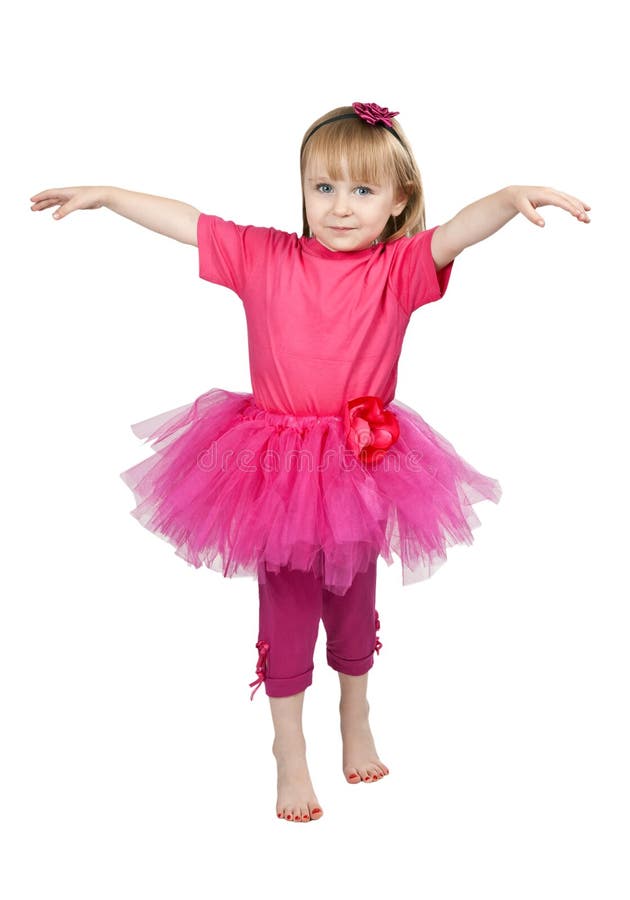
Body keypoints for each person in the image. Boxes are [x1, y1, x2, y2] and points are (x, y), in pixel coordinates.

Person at [29, 101, 591, 825]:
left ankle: (356, 713)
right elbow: (189, 222)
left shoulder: (397, 270)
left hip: (360, 459)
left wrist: (509, 200)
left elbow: (458, 231)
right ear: (302, 189)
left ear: (398, 203)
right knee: (288, 601)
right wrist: (109, 195)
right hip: (274, 462)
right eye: (323, 187)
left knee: (353, 598)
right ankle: (289, 748)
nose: (340, 206)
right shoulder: (265, 257)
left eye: (362, 190)